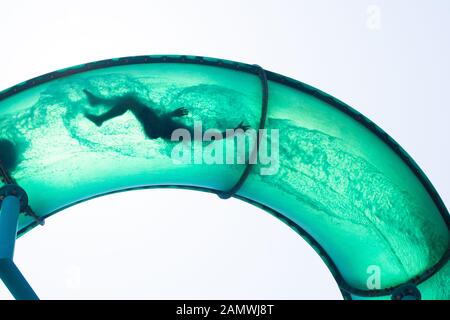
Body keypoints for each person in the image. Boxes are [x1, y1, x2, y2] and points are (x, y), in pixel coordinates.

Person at [83, 89, 249, 140]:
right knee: (130, 100)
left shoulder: (193, 134)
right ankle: (99, 103)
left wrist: (237, 131)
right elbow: (164, 121)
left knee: (131, 101)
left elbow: (214, 137)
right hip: (156, 128)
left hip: (156, 129)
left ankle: (100, 117)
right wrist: (172, 113)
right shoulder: (188, 130)